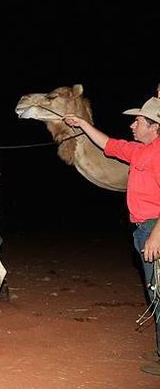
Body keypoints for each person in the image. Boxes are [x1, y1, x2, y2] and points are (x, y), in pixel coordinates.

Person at [63, 97, 160, 376]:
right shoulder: (139, 151)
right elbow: (107, 144)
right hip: (143, 229)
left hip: (154, 230)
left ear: (154, 127)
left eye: (138, 121)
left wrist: (156, 235)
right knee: (155, 293)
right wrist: (82, 124)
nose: (132, 125)